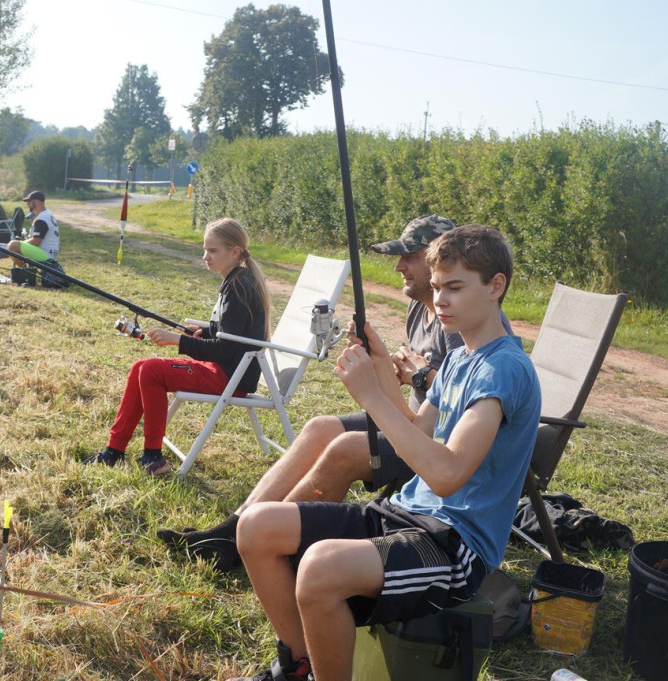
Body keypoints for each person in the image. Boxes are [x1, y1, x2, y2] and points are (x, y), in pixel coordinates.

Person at [230, 225, 540, 681]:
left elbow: (447, 474)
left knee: (319, 570)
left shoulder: (504, 371)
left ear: (496, 286)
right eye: (436, 288)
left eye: (454, 288)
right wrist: (378, 367)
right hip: (407, 512)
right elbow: (415, 431)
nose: (440, 301)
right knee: (256, 526)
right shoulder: (459, 358)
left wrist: (371, 399)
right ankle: (298, 665)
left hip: (454, 545)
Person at [158, 215, 512, 571]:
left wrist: (418, 376)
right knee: (319, 427)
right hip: (414, 423)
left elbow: (466, 396)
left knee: (346, 448)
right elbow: (418, 397)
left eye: (410, 256)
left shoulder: (464, 320)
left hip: (440, 444)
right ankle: (234, 531)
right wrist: (379, 361)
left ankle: (265, 544)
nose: (399, 266)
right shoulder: (420, 306)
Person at [85, 217, 272, 476]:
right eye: (205, 249)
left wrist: (178, 340)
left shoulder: (238, 286)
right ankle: (113, 451)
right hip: (228, 369)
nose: (206, 256)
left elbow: (226, 349)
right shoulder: (235, 280)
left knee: (151, 370)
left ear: (235, 251)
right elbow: (228, 333)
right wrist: (203, 331)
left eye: (213, 250)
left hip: (231, 376)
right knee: (141, 366)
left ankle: (153, 458)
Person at [0, 191, 60, 271]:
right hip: (43, 252)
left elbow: (36, 241)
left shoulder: (42, 218)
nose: (27, 204)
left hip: (45, 254)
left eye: (29, 202)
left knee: (13, 245)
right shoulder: (46, 214)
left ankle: (27, 272)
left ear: (36, 202)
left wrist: (17, 245)